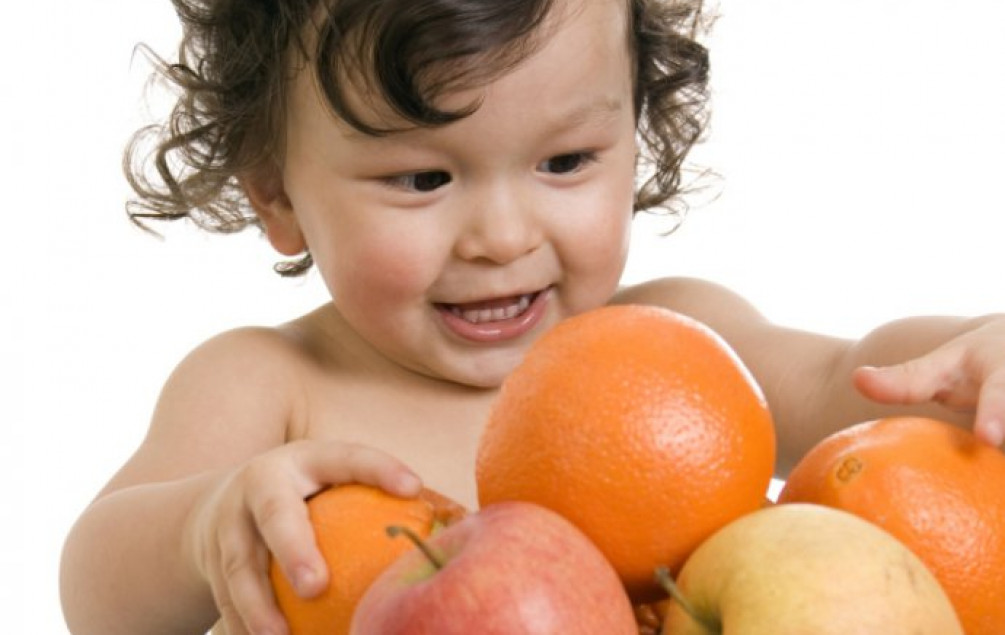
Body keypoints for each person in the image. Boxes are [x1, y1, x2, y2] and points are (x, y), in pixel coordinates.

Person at [60, 0, 1005, 633]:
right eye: (422, 178)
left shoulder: (670, 339)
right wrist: (206, 526)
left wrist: (971, 349)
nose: (502, 237)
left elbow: (859, 379)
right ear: (275, 193)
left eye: (564, 162)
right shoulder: (270, 386)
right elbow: (93, 588)